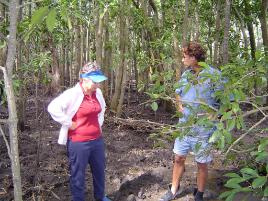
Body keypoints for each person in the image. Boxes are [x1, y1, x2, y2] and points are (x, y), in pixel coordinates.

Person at [160, 42, 222, 201]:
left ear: (194, 57)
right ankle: (173, 189)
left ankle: (199, 194)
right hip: (184, 127)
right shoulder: (186, 74)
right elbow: (178, 92)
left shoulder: (214, 75)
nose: (182, 60)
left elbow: (224, 102)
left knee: (202, 163)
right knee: (179, 158)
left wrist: (213, 117)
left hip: (203, 130)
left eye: (185, 57)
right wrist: (179, 105)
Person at [47, 62, 111, 201]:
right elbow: (52, 108)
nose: (98, 85)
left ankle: (100, 197)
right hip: (78, 143)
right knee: (78, 175)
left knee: (99, 172)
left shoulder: (97, 93)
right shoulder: (72, 94)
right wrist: (69, 123)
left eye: (99, 82)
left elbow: (102, 109)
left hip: (97, 141)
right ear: (84, 79)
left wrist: (98, 124)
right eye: (95, 82)